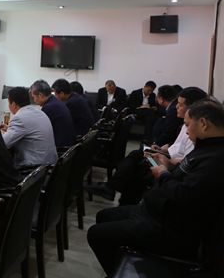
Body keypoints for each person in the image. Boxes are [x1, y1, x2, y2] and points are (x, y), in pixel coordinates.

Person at [87, 101, 224, 276]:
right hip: (157, 211)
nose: (186, 131)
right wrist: (167, 164)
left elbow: (185, 194)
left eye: (188, 125)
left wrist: (163, 173)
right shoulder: (206, 147)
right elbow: (186, 175)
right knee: (104, 215)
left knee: (96, 234)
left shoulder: (216, 159)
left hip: (171, 228)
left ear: (203, 124)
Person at [87, 86, 208, 204]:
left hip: (169, 164)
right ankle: (115, 191)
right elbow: (178, 145)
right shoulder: (186, 124)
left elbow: (186, 158)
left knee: (140, 168)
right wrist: (163, 149)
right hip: (166, 156)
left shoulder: (196, 131)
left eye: (180, 104)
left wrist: (165, 157)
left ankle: (117, 193)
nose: (176, 106)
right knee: (137, 156)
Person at [1, 87, 58, 169]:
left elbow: (3, 144)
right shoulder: (39, 112)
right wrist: (9, 129)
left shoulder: (19, 118)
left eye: (8, 103)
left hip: (35, 168)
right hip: (51, 164)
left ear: (13, 104)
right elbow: (29, 130)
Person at [29, 79, 76, 147]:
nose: (34, 100)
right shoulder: (55, 101)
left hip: (60, 148)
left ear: (40, 95)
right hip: (69, 144)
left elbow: (36, 130)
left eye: (33, 97)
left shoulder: (49, 108)